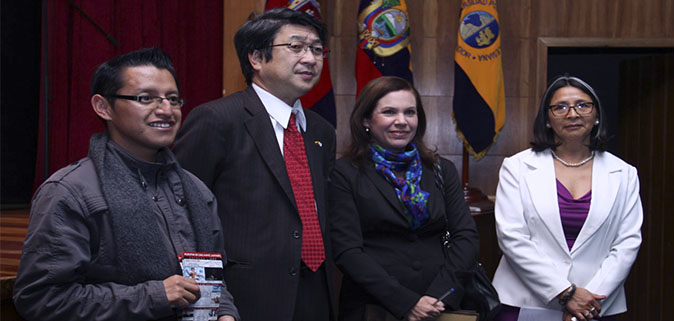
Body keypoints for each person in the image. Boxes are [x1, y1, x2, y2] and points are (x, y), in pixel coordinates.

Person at [12, 47, 239, 321]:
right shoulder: (70, 191)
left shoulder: (195, 190)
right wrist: (153, 297)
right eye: (146, 98)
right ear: (103, 107)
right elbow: (41, 299)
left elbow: (214, 278)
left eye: (173, 99)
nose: (166, 110)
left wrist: (225, 313)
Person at [173, 8, 336, 321]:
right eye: (296, 47)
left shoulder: (321, 131)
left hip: (315, 292)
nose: (311, 58)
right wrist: (211, 303)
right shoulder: (217, 120)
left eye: (317, 49)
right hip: (244, 296)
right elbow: (184, 216)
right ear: (257, 59)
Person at [492, 75, 643, 321]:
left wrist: (588, 301)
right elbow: (512, 237)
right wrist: (565, 293)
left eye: (583, 105)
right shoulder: (517, 167)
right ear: (548, 119)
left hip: (596, 305)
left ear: (596, 116)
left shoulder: (624, 173)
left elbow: (626, 244)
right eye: (560, 107)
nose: (572, 114)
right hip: (525, 302)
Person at [328, 76, 480, 321]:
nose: (401, 121)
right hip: (374, 306)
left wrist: (439, 296)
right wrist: (406, 302)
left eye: (410, 112)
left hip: (440, 306)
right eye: (389, 112)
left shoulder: (442, 169)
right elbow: (347, 250)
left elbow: (466, 237)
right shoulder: (344, 172)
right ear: (366, 120)